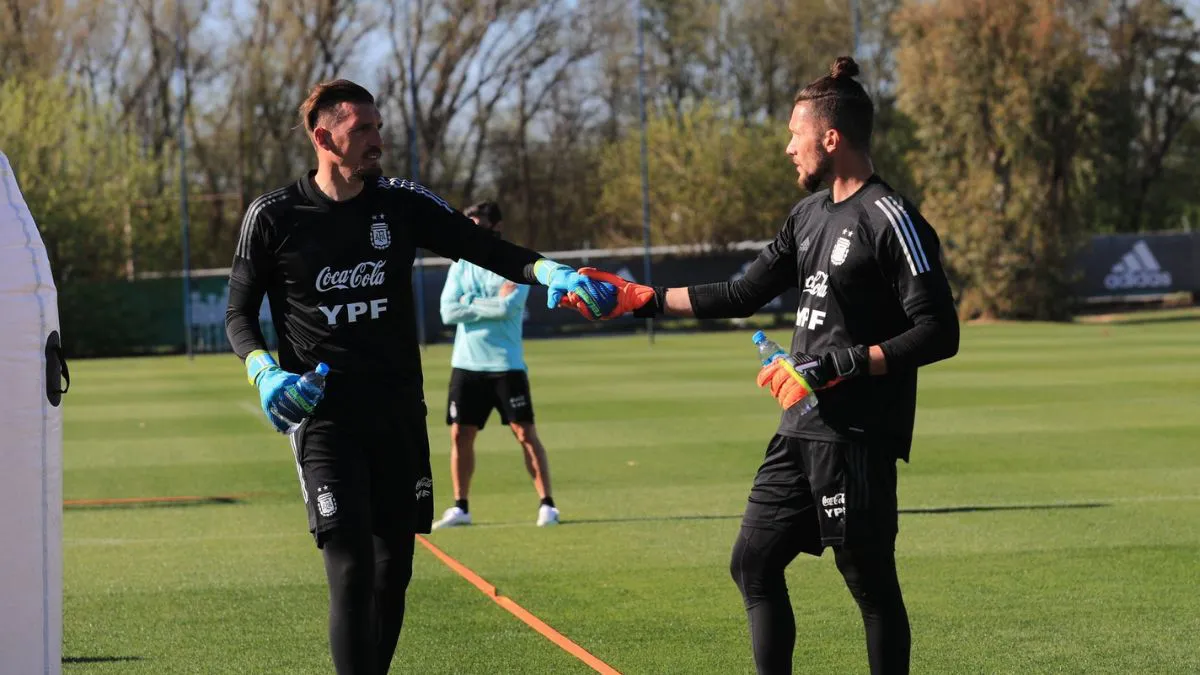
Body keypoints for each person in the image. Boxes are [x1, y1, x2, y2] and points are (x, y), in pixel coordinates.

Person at [563, 57, 959, 675]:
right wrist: (641, 299)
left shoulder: (892, 218)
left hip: (856, 436)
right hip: (798, 428)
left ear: (832, 138)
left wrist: (836, 366)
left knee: (869, 583)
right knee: (753, 562)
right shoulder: (806, 216)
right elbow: (742, 292)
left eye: (796, 135)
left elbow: (939, 331)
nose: (787, 148)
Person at [224, 79, 612, 675]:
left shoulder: (401, 201)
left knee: (392, 573)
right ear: (324, 138)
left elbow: (483, 248)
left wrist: (547, 271)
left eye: (379, 127)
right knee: (351, 569)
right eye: (363, 130)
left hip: (398, 413)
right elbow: (238, 312)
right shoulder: (274, 215)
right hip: (324, 419)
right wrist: (262, 370)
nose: (377, 140)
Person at [433, 200, 559, 529]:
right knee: (460, 435)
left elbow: (509, 307)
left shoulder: (514, 261)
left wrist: (469, 302)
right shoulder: (461, 264)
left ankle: (547, 504)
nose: (470, 228)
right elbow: (448, 311)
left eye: (476, 223)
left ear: (496, 226)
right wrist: (488, 302)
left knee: (525, 433)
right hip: (466, 365)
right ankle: (461, 507)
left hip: (506, 365)